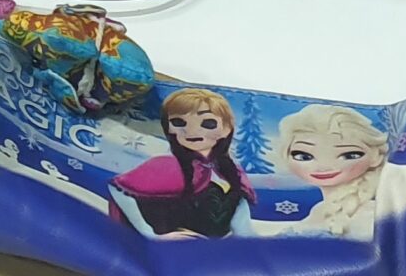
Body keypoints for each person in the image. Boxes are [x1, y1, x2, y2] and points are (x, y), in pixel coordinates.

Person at [110, 87, 253, 239]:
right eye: (178, 122)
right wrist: (148, 232)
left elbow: (242, 224)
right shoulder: (165, 164)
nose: (191, 131)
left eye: (208, 123)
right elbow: (118, 189)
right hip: (173, 247)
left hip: (212, 250)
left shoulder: (230, 171)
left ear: (226, 129)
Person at [259, 102, 388, 241]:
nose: (323, 167)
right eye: (304, 156)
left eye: (349, 155)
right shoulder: (320, 209)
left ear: (375, 157)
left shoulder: (367, 215)